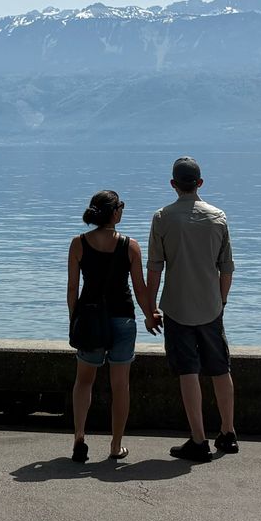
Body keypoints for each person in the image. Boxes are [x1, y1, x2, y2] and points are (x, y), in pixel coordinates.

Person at [146, 155, 237, 462]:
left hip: (177, 307)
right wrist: (221, 301)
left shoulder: (162, 218)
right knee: (220, 368)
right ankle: (228, 432)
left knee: (188, 370)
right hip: (211, 306)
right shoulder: (218, 217)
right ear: (200, 183)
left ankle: (198, 440)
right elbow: (226, 269)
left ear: (173, 185)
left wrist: (148, 307)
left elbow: (155, 268)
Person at [65, 189, 158, 464]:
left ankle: (79, 437)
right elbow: (140, 290)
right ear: (115, 212)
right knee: (120, 386)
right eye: (121, 207)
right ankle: (115, 445)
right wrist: (150, 315)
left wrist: (75, 320)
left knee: (83, 381)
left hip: (90, 319)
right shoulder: (130, 246)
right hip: (123, 319)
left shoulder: (78, 243)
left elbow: (72, 289)